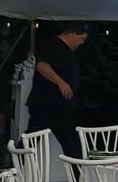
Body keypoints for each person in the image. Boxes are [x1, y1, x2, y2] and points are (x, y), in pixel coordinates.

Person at [28, 23, 87, 158]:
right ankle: (14, 167)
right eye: (81, 38)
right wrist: (60, 82)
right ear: (72, 34)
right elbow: (42, 66)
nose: (81, 43)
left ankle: (76, 175)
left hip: (58, 104)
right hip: (49, 103)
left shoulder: (64, 50)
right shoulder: (53, 45)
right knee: (70, 143)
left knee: (69, 142)